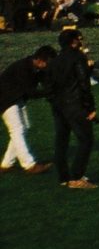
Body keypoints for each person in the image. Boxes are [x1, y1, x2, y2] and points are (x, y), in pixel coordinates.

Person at [48, 28, 98, 189]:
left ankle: (63, 177)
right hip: (75, 104)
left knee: (61, 141)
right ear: (74, 41)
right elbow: (84, 84)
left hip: (58, 105)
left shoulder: (55, 60)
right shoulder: (78, 57)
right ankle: (76, 176)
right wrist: (90, 107)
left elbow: (48, 86)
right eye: (80, 38)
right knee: (86, 140)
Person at [1, 45, 55, 174]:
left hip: (16, 98)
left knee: (23, 128)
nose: (48, 66)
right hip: (4, 100)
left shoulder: (36, 68)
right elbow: (30, 92)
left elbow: (46, 81)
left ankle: (6, 164)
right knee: (17, 129)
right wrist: (48, 92)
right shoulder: (23, 68)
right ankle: (29, 165)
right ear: (40, 60)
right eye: (48, 63)